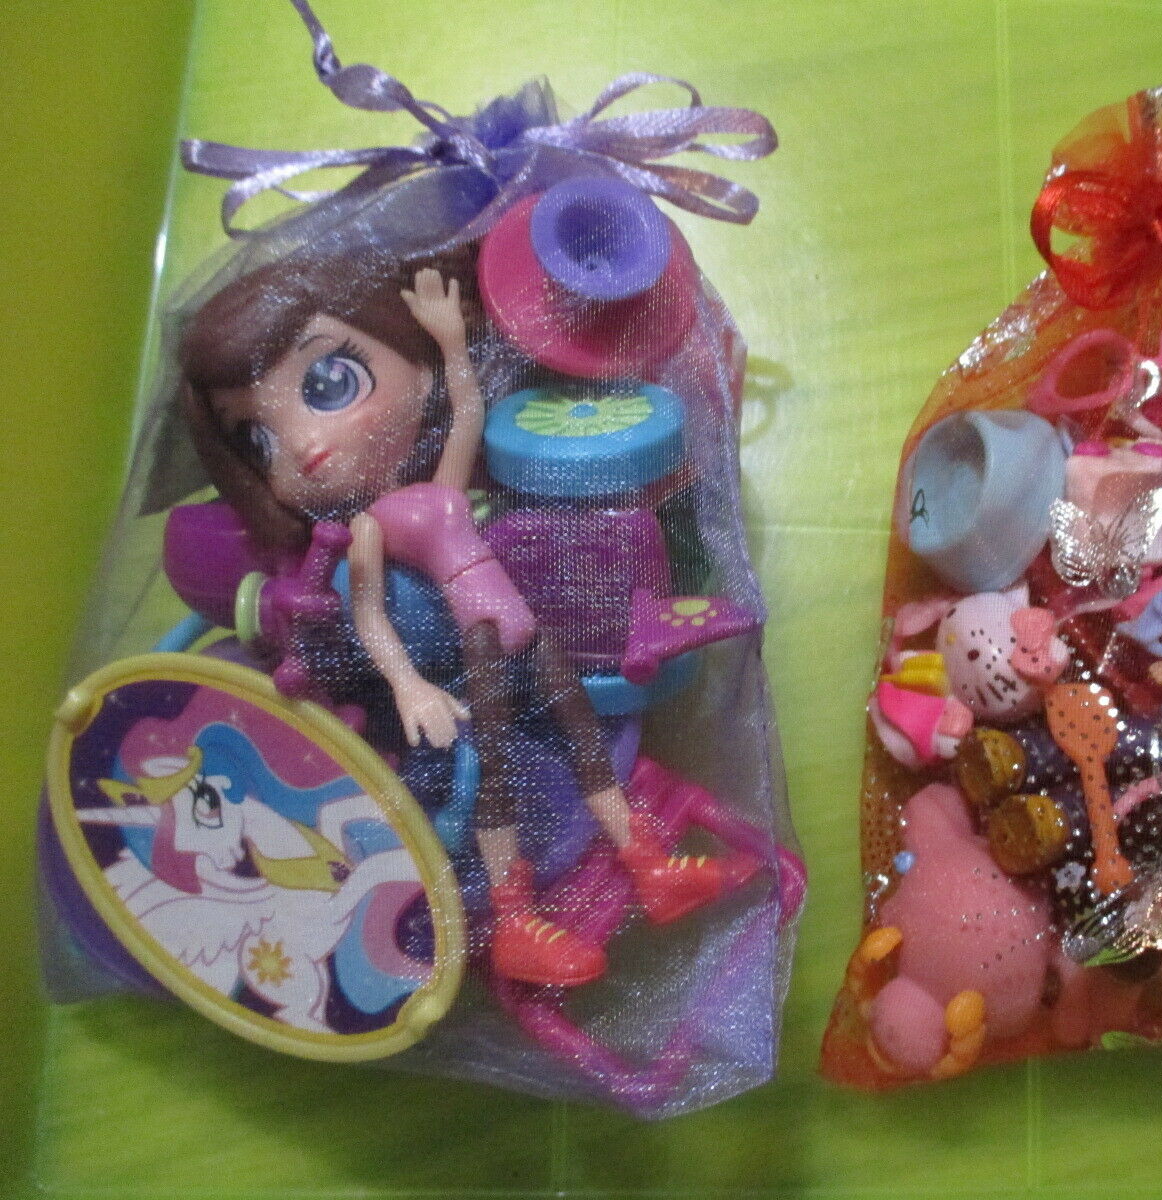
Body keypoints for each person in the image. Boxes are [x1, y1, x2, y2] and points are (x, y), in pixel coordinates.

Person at [178, 248, 751, 987]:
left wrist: (449, 341)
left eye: (328, 383)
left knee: (583, 737)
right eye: (260, 441)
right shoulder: (365, 534)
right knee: (496, 768)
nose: (306, 445)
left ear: (415, 374)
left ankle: (649, 863)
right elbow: (371, 619)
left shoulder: (444, 488)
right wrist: (409, 686)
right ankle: (514, 920)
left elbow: (470, 410)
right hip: (471, 649)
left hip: (520, 629)